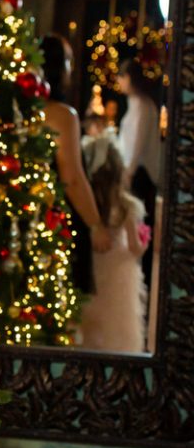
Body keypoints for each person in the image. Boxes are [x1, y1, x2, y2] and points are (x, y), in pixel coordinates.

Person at [40, 34, 111, 293]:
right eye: (68, 60)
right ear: (57, 66)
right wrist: (95, 224)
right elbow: (71, 178)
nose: (71, 68)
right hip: (58, 220)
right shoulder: (62, 115)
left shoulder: (23, 108)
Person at [79, 134, 148, 353]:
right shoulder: (127, 206)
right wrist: (144, 245)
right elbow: (135, 248)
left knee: (90, 321)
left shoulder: (86, 208)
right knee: (117, 322)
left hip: (92, 270)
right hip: (118, 273)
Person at [116, 58, 162, 288]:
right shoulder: (136, 104)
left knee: (140, 224)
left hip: (140, 174)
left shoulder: (143, 105)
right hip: (133, 172)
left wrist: (128, 172)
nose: (119, 82)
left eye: (121, 77)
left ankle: (141, 277)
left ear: (129, 78)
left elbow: (137, 144)